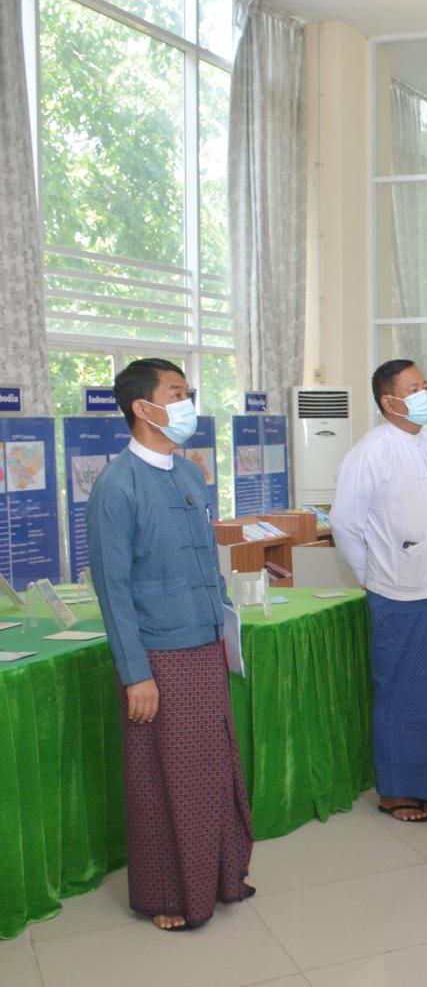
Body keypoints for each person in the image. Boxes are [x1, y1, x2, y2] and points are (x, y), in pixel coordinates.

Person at [86, 358, 254, 931]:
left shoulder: (188, 473)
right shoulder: (116, 486)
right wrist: (136, 673)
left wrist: (224, 630)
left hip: (205, 643)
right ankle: (168, 893)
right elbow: (113, 590)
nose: (188, 404)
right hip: (159, 656)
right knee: (164, 778)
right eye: (177, 393)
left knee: (213, 768)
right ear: (143, 407)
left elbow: (206, 561)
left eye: (188, 392)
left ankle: (222, 876)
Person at [331, 359, 427, 824]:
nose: (423, 395)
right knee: (403, 692)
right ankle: (397, 790)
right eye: (412, 389)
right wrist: (372, 575)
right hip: (399, 592)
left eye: (423, 386)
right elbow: (345, 524)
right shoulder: (371, 450)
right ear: (389, 401)